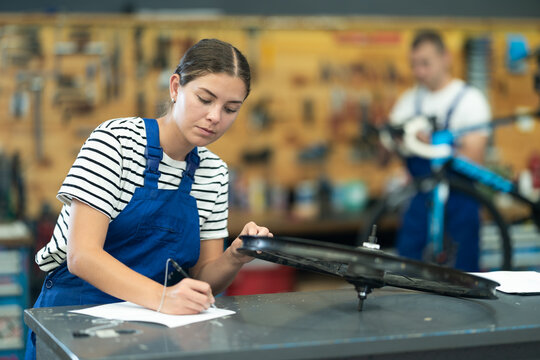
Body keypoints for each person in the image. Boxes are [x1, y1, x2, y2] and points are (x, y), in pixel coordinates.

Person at [26, 38, 271, 359]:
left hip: (154, 327)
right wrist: (162, 297)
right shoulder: (115, 142)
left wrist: (234, 258)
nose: (215, 116)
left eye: (230, 109)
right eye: (205, 99)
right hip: (74, 316)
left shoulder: (214, 172)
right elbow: (82, 255)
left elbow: (200, 277)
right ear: (175, 87)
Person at [389, 30, 491, 272]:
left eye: (425, 63)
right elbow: (392, 145)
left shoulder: (470, 100)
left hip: (461, 200)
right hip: (420, 199)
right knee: (407, 272)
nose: (419, 72)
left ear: (446, 58)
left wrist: (429, 143)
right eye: (414, 65)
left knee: (463, 275)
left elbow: (475, 157)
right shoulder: (408, 100)